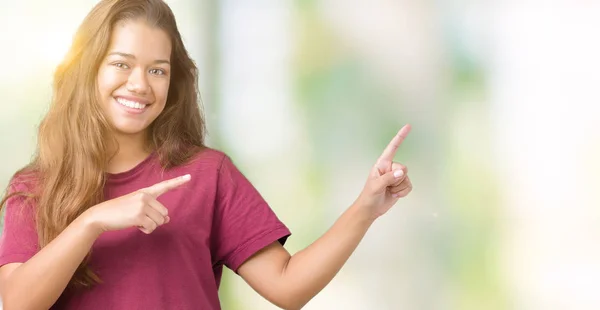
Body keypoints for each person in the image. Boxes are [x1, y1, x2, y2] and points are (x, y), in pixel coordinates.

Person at [0, 0, 413, 309]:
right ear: (87, 70)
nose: (140, 84)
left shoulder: (207, 174)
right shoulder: (36, 187)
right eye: (121, 64)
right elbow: (16, 303)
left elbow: (288, 287)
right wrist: (91, 221)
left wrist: (366, 207)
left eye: (157, 70)